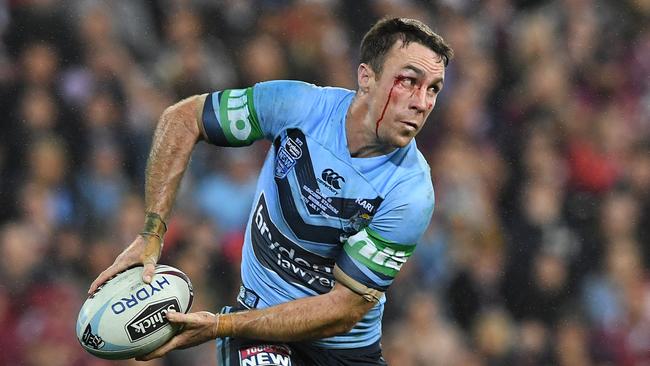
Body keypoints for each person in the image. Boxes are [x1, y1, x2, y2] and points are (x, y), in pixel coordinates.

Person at [88, 17, 452, 365]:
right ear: (366, 77)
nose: (422, 103)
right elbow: (182, 119)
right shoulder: (297, 107)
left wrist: (220, 326)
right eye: (408, 81)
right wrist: (151, 231)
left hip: (344, 351)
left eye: (433, 88)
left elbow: (342, 310)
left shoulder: (411, 193)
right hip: (260, 332)